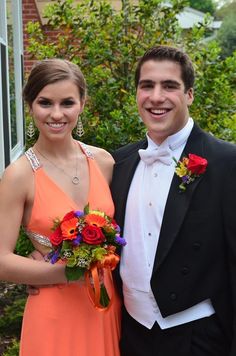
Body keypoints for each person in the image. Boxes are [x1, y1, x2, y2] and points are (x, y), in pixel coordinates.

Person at [111, 45, 236, 356]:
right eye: (147, 85)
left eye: (169, 86)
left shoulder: (226, 162)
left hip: (199, 337)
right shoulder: (119, 164)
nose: (156, 97)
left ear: (190, 94)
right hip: (130, 332)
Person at [0, 58, 121, 356]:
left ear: (82, 104)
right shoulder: (19, 175)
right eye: (45, 103)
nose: (56, 114)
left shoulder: (104, 163)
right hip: (53, 311)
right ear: (30, 105)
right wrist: (66, 272)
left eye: (67, 102)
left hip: (104, 306)